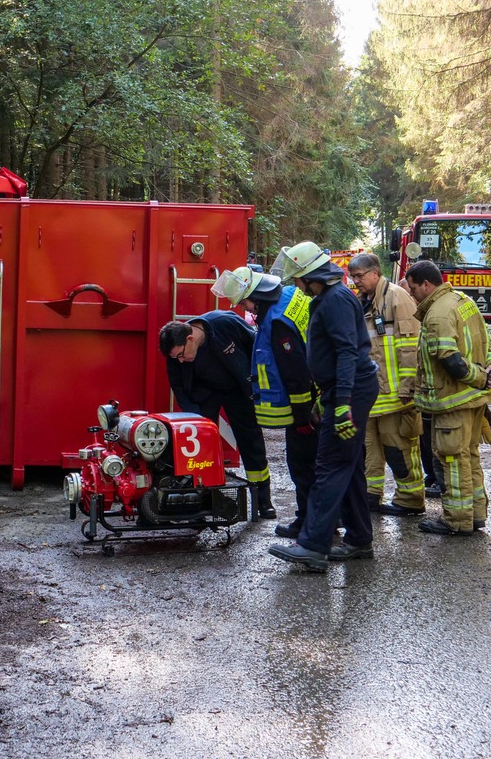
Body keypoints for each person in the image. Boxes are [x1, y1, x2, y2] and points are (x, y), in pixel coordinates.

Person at [266, 242, 379, 572]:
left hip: (352, 392)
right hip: (344, 391)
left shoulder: (335, 301)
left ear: (309, 276)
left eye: (298, 278)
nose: (297, 285)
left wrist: (341, 405)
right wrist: (325, 395)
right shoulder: (329, 299)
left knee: (329, 464)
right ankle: (359, 538)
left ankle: (313, 545)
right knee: (350, 463)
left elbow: (347, 354)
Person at [211, 266, 318, 539]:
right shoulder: (292, 295)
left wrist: (302, 416)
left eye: (245, 302)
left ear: (257, 296)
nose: (245, 308)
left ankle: (310, 523)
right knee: (315, 464)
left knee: (302, 467)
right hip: (319, 391)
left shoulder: (277, 321)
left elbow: (295, 372)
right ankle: (318, 519)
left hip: (305, 408)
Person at [403, 260, 491, 536]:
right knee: (470, 456)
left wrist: (481, 377)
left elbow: (452, 362)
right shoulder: (464, 301)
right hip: (474, 400)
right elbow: (489, 342)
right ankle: (476, 514)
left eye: (413, 288)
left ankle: (456, 520)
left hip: (453, 401)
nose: (411, 294)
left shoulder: (437, 315)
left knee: (451, 459)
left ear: (426, 284)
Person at [158, 311, 274, 518]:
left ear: (190, 338)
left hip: (238, 390)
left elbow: (257, 346)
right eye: (176, 358)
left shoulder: (225, 324)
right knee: (197, 447)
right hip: (204, 394)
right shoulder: (175, 352)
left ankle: (263, 500)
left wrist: (256, 385)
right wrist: (192, 416)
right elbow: (177, 384)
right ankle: (199, 500)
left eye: (181, 355)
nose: (181, 361)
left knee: (251, 441)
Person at [347, 252, 425, 516]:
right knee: (370, 449)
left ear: (375, 273)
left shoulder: (396, 297)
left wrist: (408, 387)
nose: (356, 281)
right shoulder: (362, 302)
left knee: (399, 448)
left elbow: (410, 346)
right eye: (353, 276)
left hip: (395, 396)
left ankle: (410, 499)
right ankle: (371, 494)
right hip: (372, 395)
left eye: (360, 276)